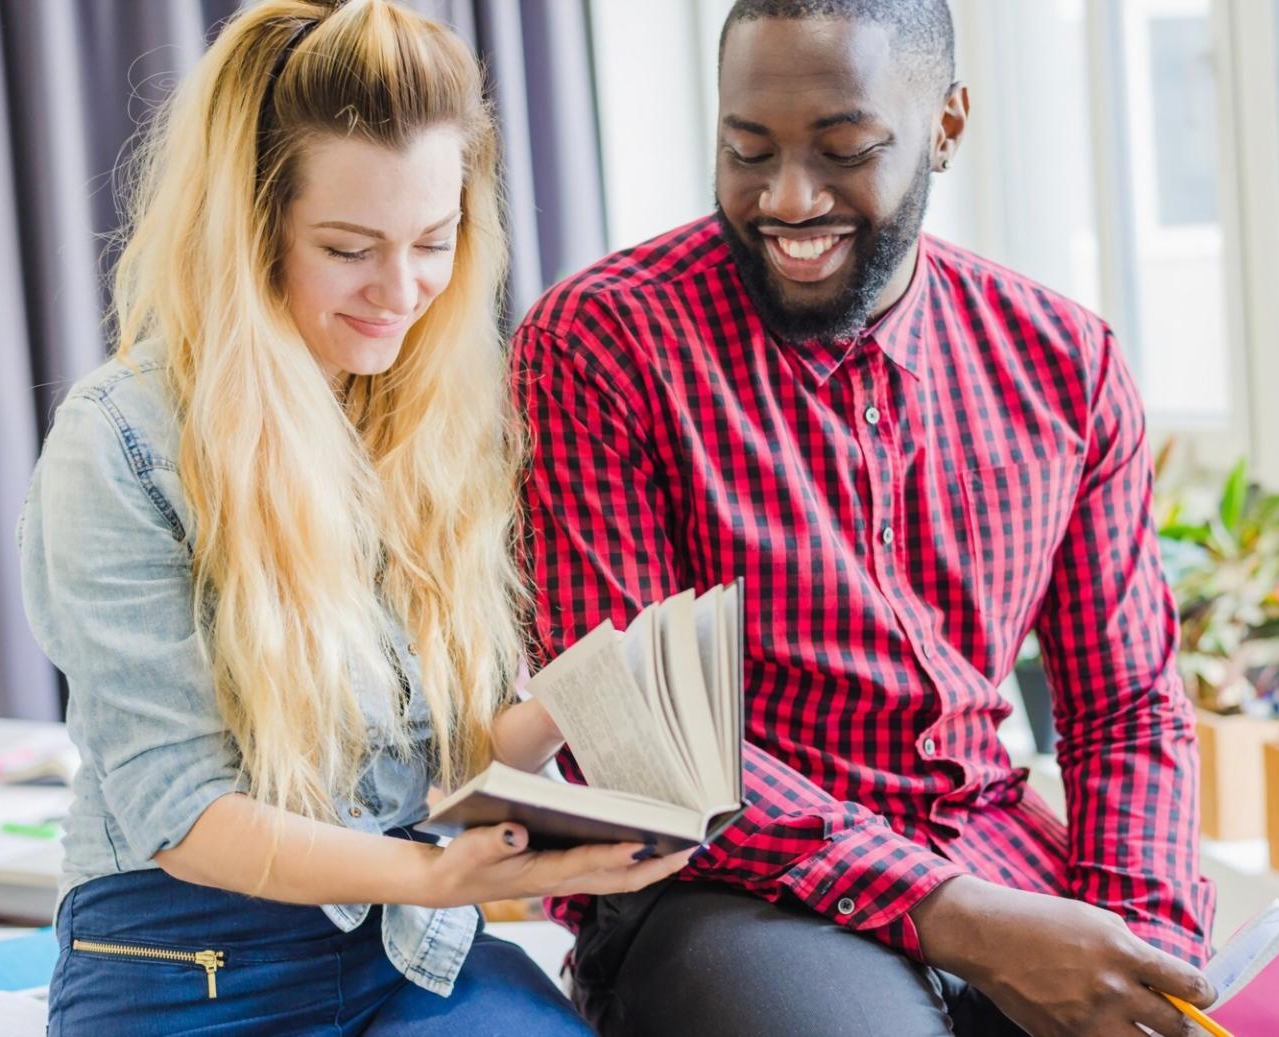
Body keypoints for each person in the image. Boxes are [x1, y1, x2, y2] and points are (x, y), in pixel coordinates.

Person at [512, 1, 1217, 1034]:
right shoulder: (601, 342)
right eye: (745, 151)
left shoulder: (1066, 362)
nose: (786, 199)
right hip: (721, 886)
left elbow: (1127, 704)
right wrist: (954, 915)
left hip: (990, 852)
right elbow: (636, 733)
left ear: (945, 126)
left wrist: (1144, 945)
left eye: (844, 151)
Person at [18, 2, 689, 1033]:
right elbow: (187, 816)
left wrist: (567, 703)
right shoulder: (118, 443)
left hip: (401, 948)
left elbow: (424, 769)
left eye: (433, 240)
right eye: (348, 248)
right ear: (252, 227)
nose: (402, 289)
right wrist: (443, 875)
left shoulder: (431, 422)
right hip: (181, 957)